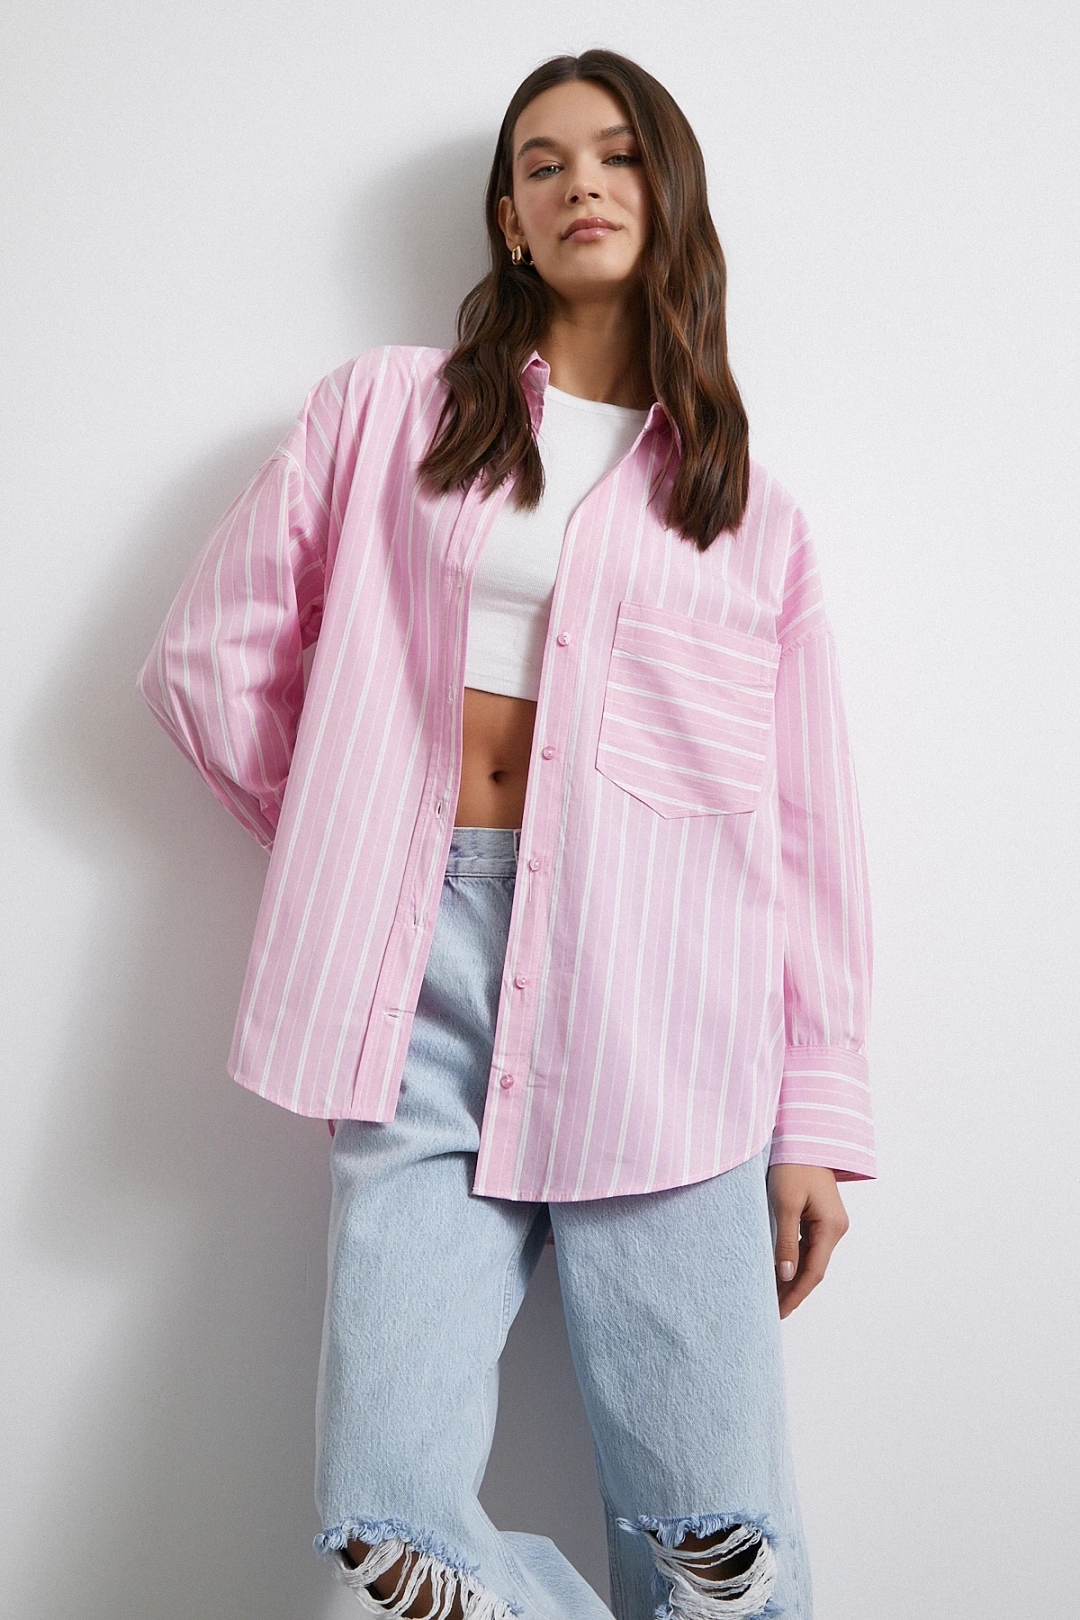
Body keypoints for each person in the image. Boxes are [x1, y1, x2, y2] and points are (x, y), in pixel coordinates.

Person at [137, 48, 873, 1620]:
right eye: (543, 162)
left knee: (718, 1550)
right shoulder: (386, 412)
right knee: (384, 1524)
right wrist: (353, 845)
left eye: (617, 154)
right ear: (508, 217)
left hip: (665, 1016)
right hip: (420, 987)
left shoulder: (749, 514)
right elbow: (206, 660)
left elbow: (806, 835)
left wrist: (814, 1118)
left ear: (667, 195)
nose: (580, 181)